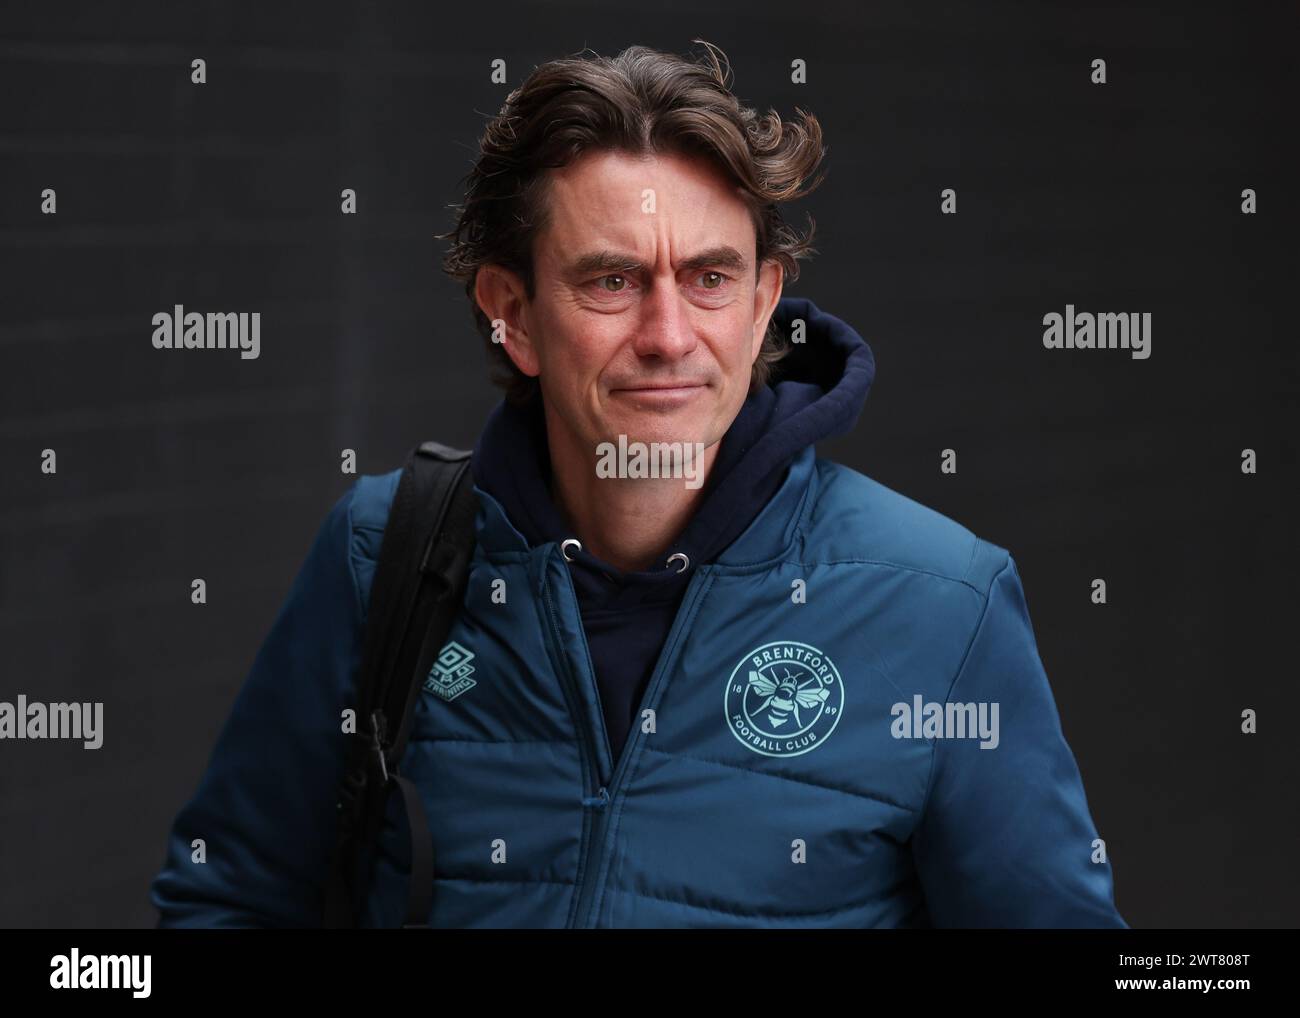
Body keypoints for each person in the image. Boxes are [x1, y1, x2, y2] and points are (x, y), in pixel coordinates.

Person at [150, 40, 1126, 928]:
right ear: (512, 313)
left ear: (761, 304)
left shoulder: (939, 605)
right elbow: (225, 897)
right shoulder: (381, 557)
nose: (667, 336)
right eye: (611, 281)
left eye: (709, 278)